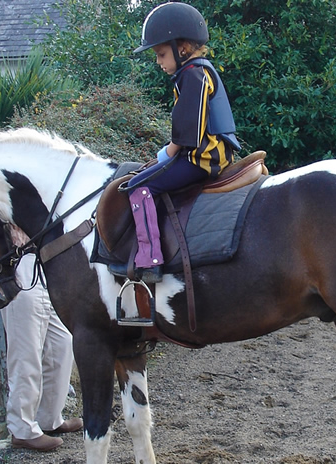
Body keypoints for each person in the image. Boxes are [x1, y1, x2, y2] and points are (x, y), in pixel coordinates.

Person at [127, 1, 241, 282]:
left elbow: (188, 131)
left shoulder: (192, 75)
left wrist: (167, 152)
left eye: (161, 54)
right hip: (211, 156)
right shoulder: (195, 72)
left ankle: (150, 260)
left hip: (202, 159)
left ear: (182, 48)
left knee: (138, 187)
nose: (158, 61)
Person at [0, 253, 83, 451]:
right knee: (25, 354)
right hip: (16, 268)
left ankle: (49, 419)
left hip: (42, 267)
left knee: (62, 343)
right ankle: (22, 430)